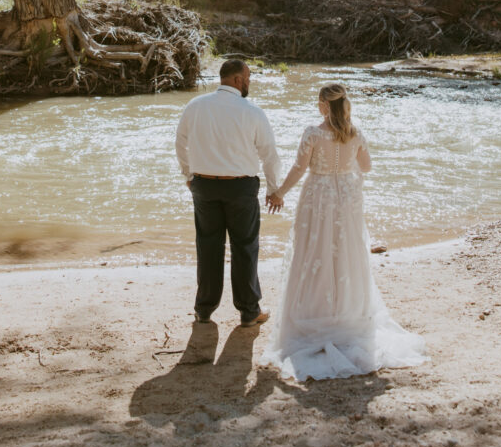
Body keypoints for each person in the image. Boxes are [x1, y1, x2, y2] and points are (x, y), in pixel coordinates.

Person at [262, 82, 427, 381]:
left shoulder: (312, 133)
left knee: (314, 253)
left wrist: (279, 193)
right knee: (347, 256)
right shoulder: (356, 133)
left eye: (318, 102)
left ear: (325, 106)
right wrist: (346, 161)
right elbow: (366, 168)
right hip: (346, 201)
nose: (317, 107)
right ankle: (348, 314)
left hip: (319, 198)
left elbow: (300, 169)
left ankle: (314, 315)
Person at [175, 58, 282, 327]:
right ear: (236, 80)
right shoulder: (252, 111)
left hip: (205, 185)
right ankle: (249, 311)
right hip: (240, 187)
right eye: (247, 77)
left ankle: (204, 309)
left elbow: (180, 143)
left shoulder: (195, 106)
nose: (249, 82)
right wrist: (273, 188)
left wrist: (189, 176)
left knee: (208, 246)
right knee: (244, 247)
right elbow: (269, 154)